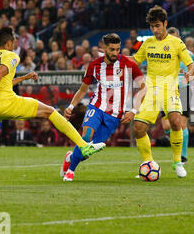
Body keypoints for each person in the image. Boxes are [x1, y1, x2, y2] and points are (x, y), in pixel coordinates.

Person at [0, 27, 105, 186]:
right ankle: (83, 146)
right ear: (8, 44)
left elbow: (1, 81)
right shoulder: (11, 56)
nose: (14, 45)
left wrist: (24, 78)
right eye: (13, 42)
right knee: (50, 112)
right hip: (4, 103)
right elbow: (0, 74)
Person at [60, 33, 146, 182]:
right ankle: (70, 171)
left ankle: (70, 158)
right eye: (112, 49)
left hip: (115, 115)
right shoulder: (94, 66)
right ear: (103, 47)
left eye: (118, 49)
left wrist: (133, 111)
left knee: (88, 151)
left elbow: (144, 88)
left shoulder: (128, 64)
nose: (115, 53)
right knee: (86, 137)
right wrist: (71, 106)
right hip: (97, 106)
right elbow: (82, 90)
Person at [128, 6, 194, 178]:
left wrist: (189, 71)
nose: (155, 30)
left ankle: (177, 161)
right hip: (151, 92)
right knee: (139, 128)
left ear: (165, 23)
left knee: (175, 121)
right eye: (152, 26)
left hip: (170, 90)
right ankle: (148, 162)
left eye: (158, 25)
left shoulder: (176, 43)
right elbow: (135, 60)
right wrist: (117, 59)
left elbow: (190, 64)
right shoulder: (148, 43)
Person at [160, 27, 194, 164]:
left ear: (179, 38)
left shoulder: (188, 54)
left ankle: (183, 156)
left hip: (183, 90)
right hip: (167, 90)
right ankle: (174, 140)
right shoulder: (163, 53)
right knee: (166, 126)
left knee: (182, 123)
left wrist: (190, 78)